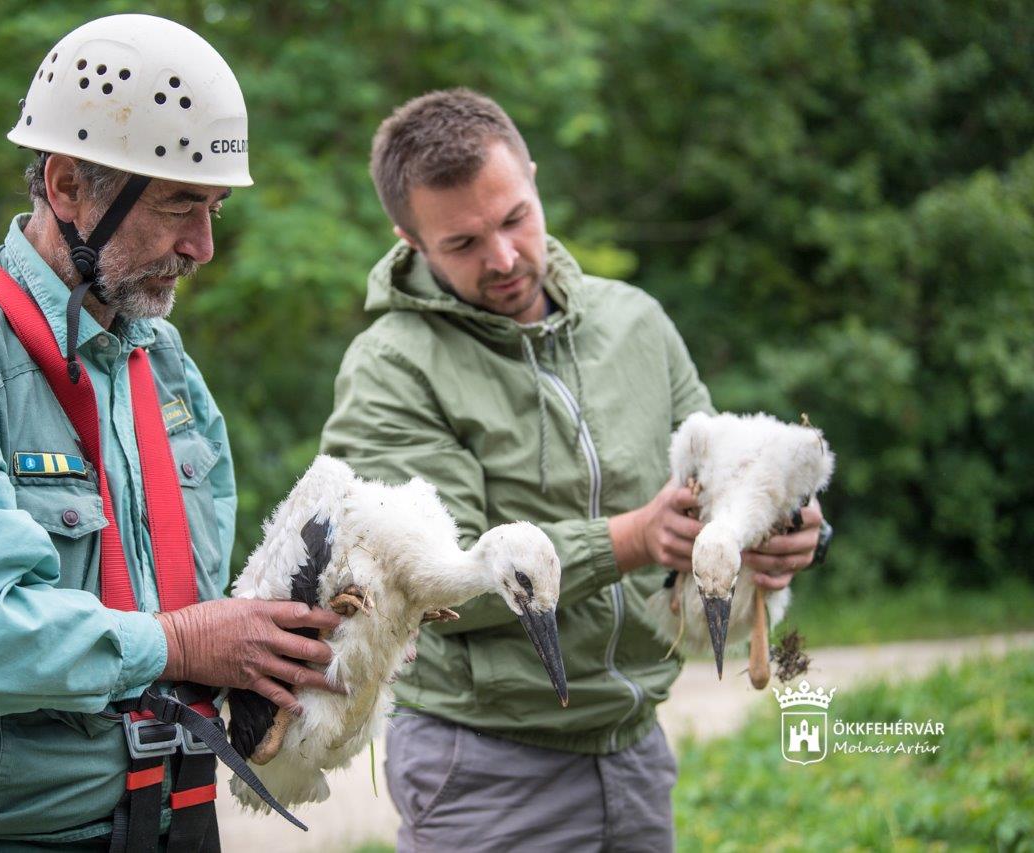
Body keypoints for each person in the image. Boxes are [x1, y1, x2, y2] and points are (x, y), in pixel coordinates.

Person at [0, 15, 342, 852]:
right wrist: (181, 643)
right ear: (67, 186)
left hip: (175, 819)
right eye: (178, 204)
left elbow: (205, 596)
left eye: (213, 209)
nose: (202, 246)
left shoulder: (160, 362)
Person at [319, 88, 831, 851]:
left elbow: (718, 476)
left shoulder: (635, 321)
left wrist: (784, 530)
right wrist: (630, 539)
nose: (502, 257)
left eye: (515, 217)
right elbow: (434, 585)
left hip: (634, 746)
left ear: (531, 174)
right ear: (409, 238)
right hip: (484, 766)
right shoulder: (390, 369)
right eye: (462, 244)